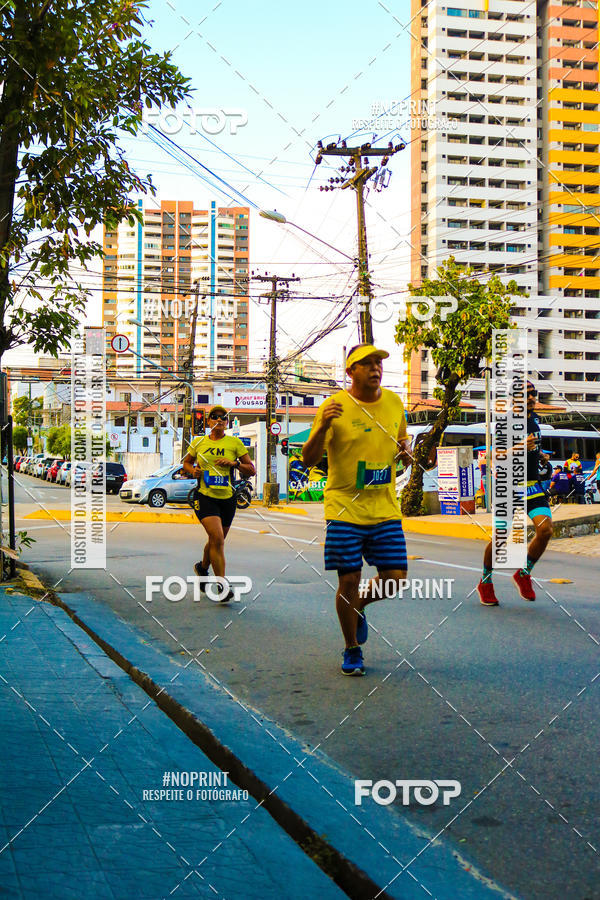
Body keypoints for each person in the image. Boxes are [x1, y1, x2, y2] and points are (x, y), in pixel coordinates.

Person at [302, 343, 412, 676]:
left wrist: (405, 451)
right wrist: (321, 428)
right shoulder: (333, 406)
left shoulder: (394, 403)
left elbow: (400, 442)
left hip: (384, 506)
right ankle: (352, 648)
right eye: (366, 364)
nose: (375, 368)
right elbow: (308, 459)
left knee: (394, 580)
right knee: (349, 580)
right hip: (344, 507)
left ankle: (360, 606)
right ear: (350, 372)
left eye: (378, 362)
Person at [477, 381, 553, 606]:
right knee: (500, 537)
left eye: (533, 394)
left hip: (532, 485)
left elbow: (532, 448)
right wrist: (521, 446)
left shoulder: (535, 420)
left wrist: (539, 456)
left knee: (546, 529)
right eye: (525, 395)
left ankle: (524, 573)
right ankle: (486, 581)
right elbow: (495, 456)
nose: (531, 398)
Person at [182, 406, 255, 603]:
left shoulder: (235, 443)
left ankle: (202, 568)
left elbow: (252, 470)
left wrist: (235, 464)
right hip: (205, 496)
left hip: (227, 497)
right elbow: (186, 463)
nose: (219, 420)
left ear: (227, 423)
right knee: (217, 537)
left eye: (223, 418)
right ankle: (222, 586)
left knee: (216, 540)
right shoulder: (199, 443)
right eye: (214, 417)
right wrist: (193, 471)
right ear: (208, 422)